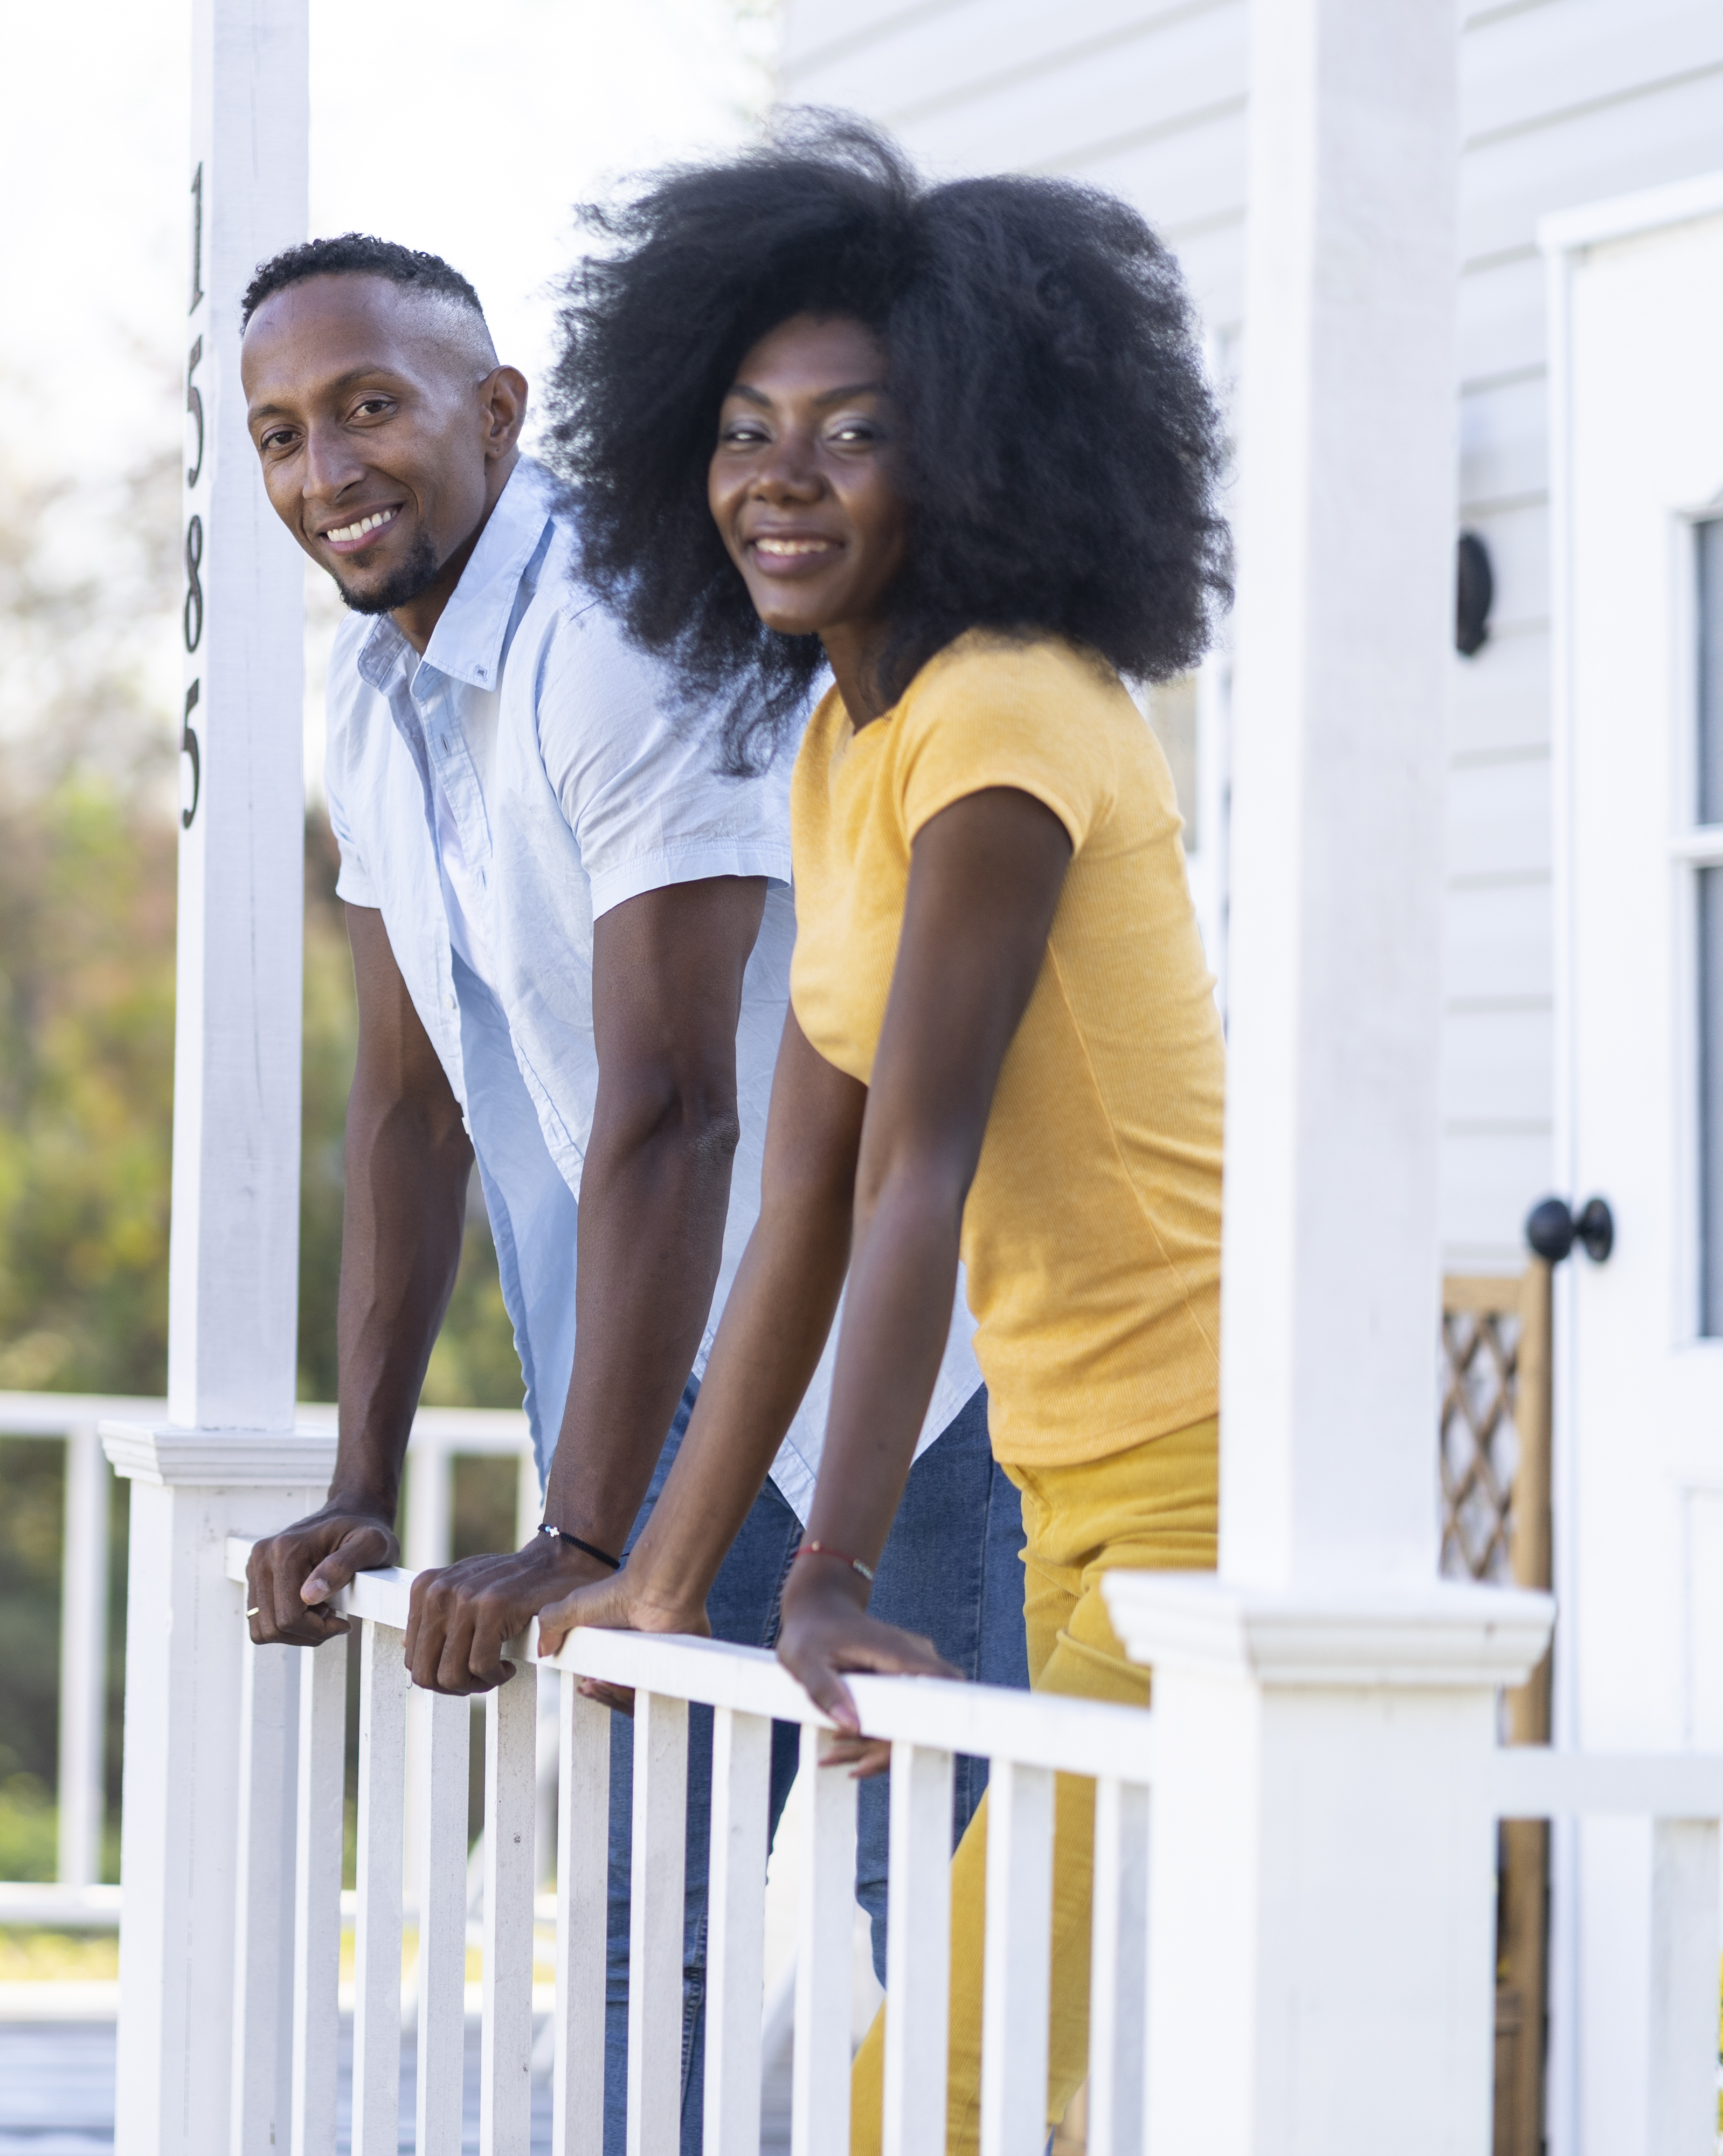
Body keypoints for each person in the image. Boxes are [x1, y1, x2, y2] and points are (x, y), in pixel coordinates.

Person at [230, 232, 1016, 2145]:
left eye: (368, 409)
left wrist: (585, 1541)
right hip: (676, 1374)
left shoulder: (623, 636)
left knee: (942, 1910)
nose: (324, 469)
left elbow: (681, 1106)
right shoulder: (364, 695)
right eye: (276, 433)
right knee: (649, 1917)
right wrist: (360, 1484)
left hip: (901, 1382)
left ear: (496, 414)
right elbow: (409, 1109)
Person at [538, 115, 1231, 2149]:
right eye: (747, 428)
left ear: (980, 455)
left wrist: (824, 1567)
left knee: (940, 2084)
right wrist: (668, 1579)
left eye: (853, 432)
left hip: (1201, 1500)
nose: (779, 475)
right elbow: (804, 1211)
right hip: (1076, 1489)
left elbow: (920, 1163)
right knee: (1016, 2071)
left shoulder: (1007, 721)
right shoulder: (853, 741)